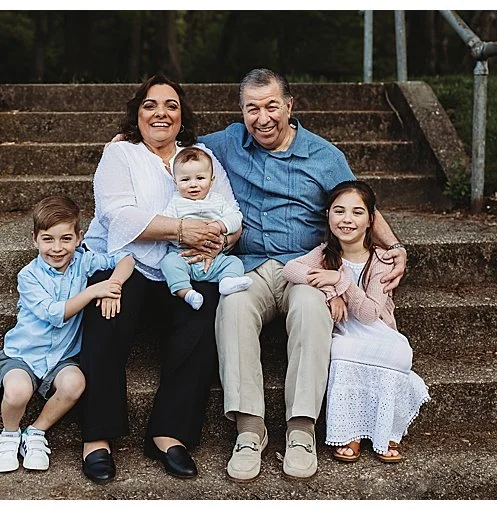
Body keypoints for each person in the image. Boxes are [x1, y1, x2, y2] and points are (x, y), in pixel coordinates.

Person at [201, 68, 408, 482]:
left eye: (271, 106)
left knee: (314, 309)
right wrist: (127, 145)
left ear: (290, 106)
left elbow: (358, 202)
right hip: (251, 265)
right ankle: (249, 429)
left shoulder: (323, 156)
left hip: (307, 266)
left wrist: (395, 246)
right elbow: (174, 147)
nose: (262, 118)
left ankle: (301, 429)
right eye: (252, 109)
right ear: (241, 112)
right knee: (233, 304)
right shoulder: (226, 142)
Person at [79, 74, 237, 483]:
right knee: (105, 314)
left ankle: (169, 433)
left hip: (184, 264)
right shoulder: (122, 155)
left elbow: (230, 211)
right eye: (151, 104)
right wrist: (182, 229)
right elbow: (119, 215)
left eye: (171, 105)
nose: (161, 113)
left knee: (205, 315)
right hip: (126, 262)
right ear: (138, 113)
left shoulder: (201, 157)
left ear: (182, 118)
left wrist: (221, 239)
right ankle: (97, 438)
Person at [281, 181, 430, 465]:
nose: (347, 219)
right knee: (339, 352)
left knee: (399, 354)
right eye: (339, 211)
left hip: (378, 333)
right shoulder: (325, 254)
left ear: (370, 221)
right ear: (328, 215)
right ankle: (350, 431)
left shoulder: (382, 260)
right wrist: (330, 291)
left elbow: (369, 313)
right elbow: (291, 269)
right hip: (347, 335)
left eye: (357, 213)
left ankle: (385, 429)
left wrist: (341, 280)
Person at [0, 195, 133, 473]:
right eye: (48, 239)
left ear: (79, 238)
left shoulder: (84, 261)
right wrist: (94, 290)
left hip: (62, 359)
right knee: (18, 391)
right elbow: (55, 313)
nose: (57, 248)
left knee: (74, 384)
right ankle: (9, 435)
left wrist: (114, 284)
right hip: (23, 356)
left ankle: (36, 432)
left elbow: (126, 258)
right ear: (35, 239)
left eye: (66, 239)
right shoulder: (29, 276)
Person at [157, 146, 252, 310]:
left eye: (200, 178)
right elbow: (166, 227)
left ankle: (226, 282)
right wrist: (181, 234)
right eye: (185, 180)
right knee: (168, 263)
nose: (193, 185)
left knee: (234, 262)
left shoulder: (218, 200)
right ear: (175, 182)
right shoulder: (175, 202)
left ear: (212, 179)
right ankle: (187, 292)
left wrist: (220, 225)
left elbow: (236, 218)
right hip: (183, 256)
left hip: (216, 259)